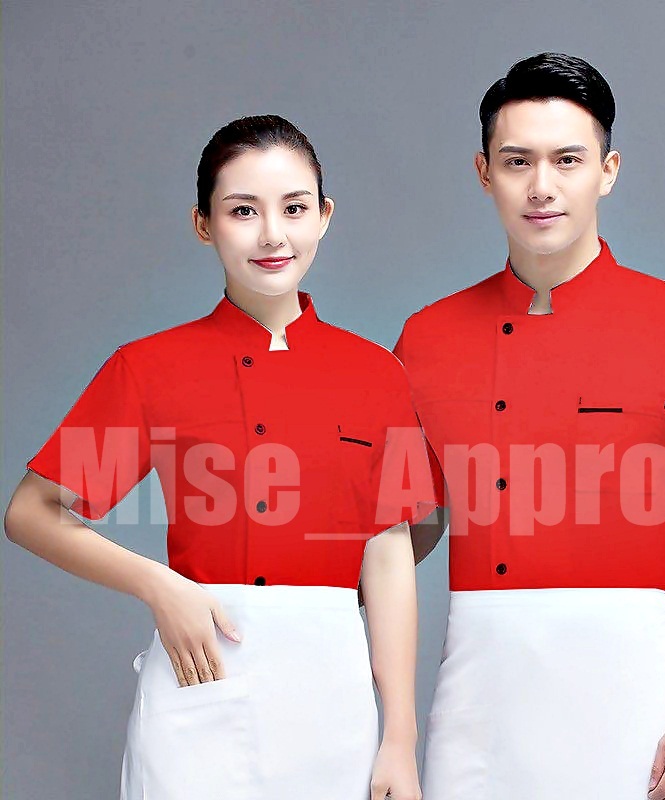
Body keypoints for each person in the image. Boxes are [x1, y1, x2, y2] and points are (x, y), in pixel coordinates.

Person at [4, 114, 440, 800]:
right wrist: (159, 586)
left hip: (331, 700)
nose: (272, 235)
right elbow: (30, 512)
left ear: (323, 216)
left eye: (293, 208)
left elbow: (387, 558)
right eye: (243, 211)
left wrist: (400, 740)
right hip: (199, 681)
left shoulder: (376, 375)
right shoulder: (152, 367)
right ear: (203, 224)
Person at [392, 53, 665, 800]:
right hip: (475, 703)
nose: (541, 186)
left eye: (567, 160)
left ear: (607, 171)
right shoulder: (428, 336)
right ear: (484, 173)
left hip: (629, 703)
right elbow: (406, 531)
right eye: (517, 162)